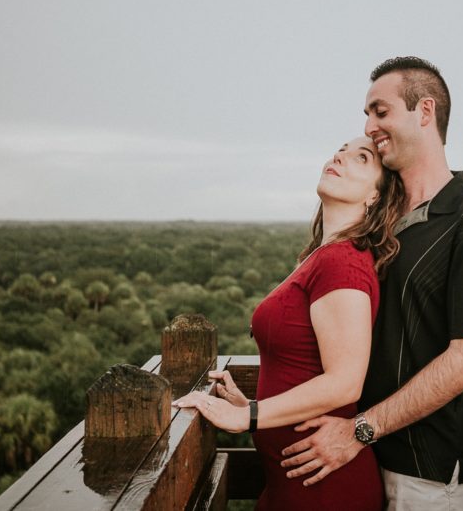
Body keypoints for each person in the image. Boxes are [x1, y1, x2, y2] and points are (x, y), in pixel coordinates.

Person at [280, 57, 463, 510]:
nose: (369, 126)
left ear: (424, 112)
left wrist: (361, 429)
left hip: (428, 477)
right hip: (358, 460)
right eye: (367, 114)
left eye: (380, 111)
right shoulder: (380, 220)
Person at [174, 135, 406, 511]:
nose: (340, 157)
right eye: (340, 151)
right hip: (292, 483)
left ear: (376, 195)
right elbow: (304, 366)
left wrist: (246, 415)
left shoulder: (342, 262)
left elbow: (345, 382)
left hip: (325, 491)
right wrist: (254, 403)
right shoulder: (324, 255)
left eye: (361, 158)